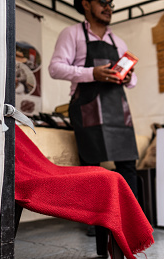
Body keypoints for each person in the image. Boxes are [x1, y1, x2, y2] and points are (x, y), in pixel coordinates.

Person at [49, 0, 139, 237]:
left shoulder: (118, 42)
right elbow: (55, 68)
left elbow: (134, 80)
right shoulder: (71, 34)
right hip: (87, 106)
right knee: (92, 167)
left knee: (128, 165)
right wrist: (92, 73)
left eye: (111, 3)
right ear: (86, 4)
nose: (109, 7)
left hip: (117, 108)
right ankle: (96, 224)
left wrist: (128, 77)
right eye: (103, 2)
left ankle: (130, 223)